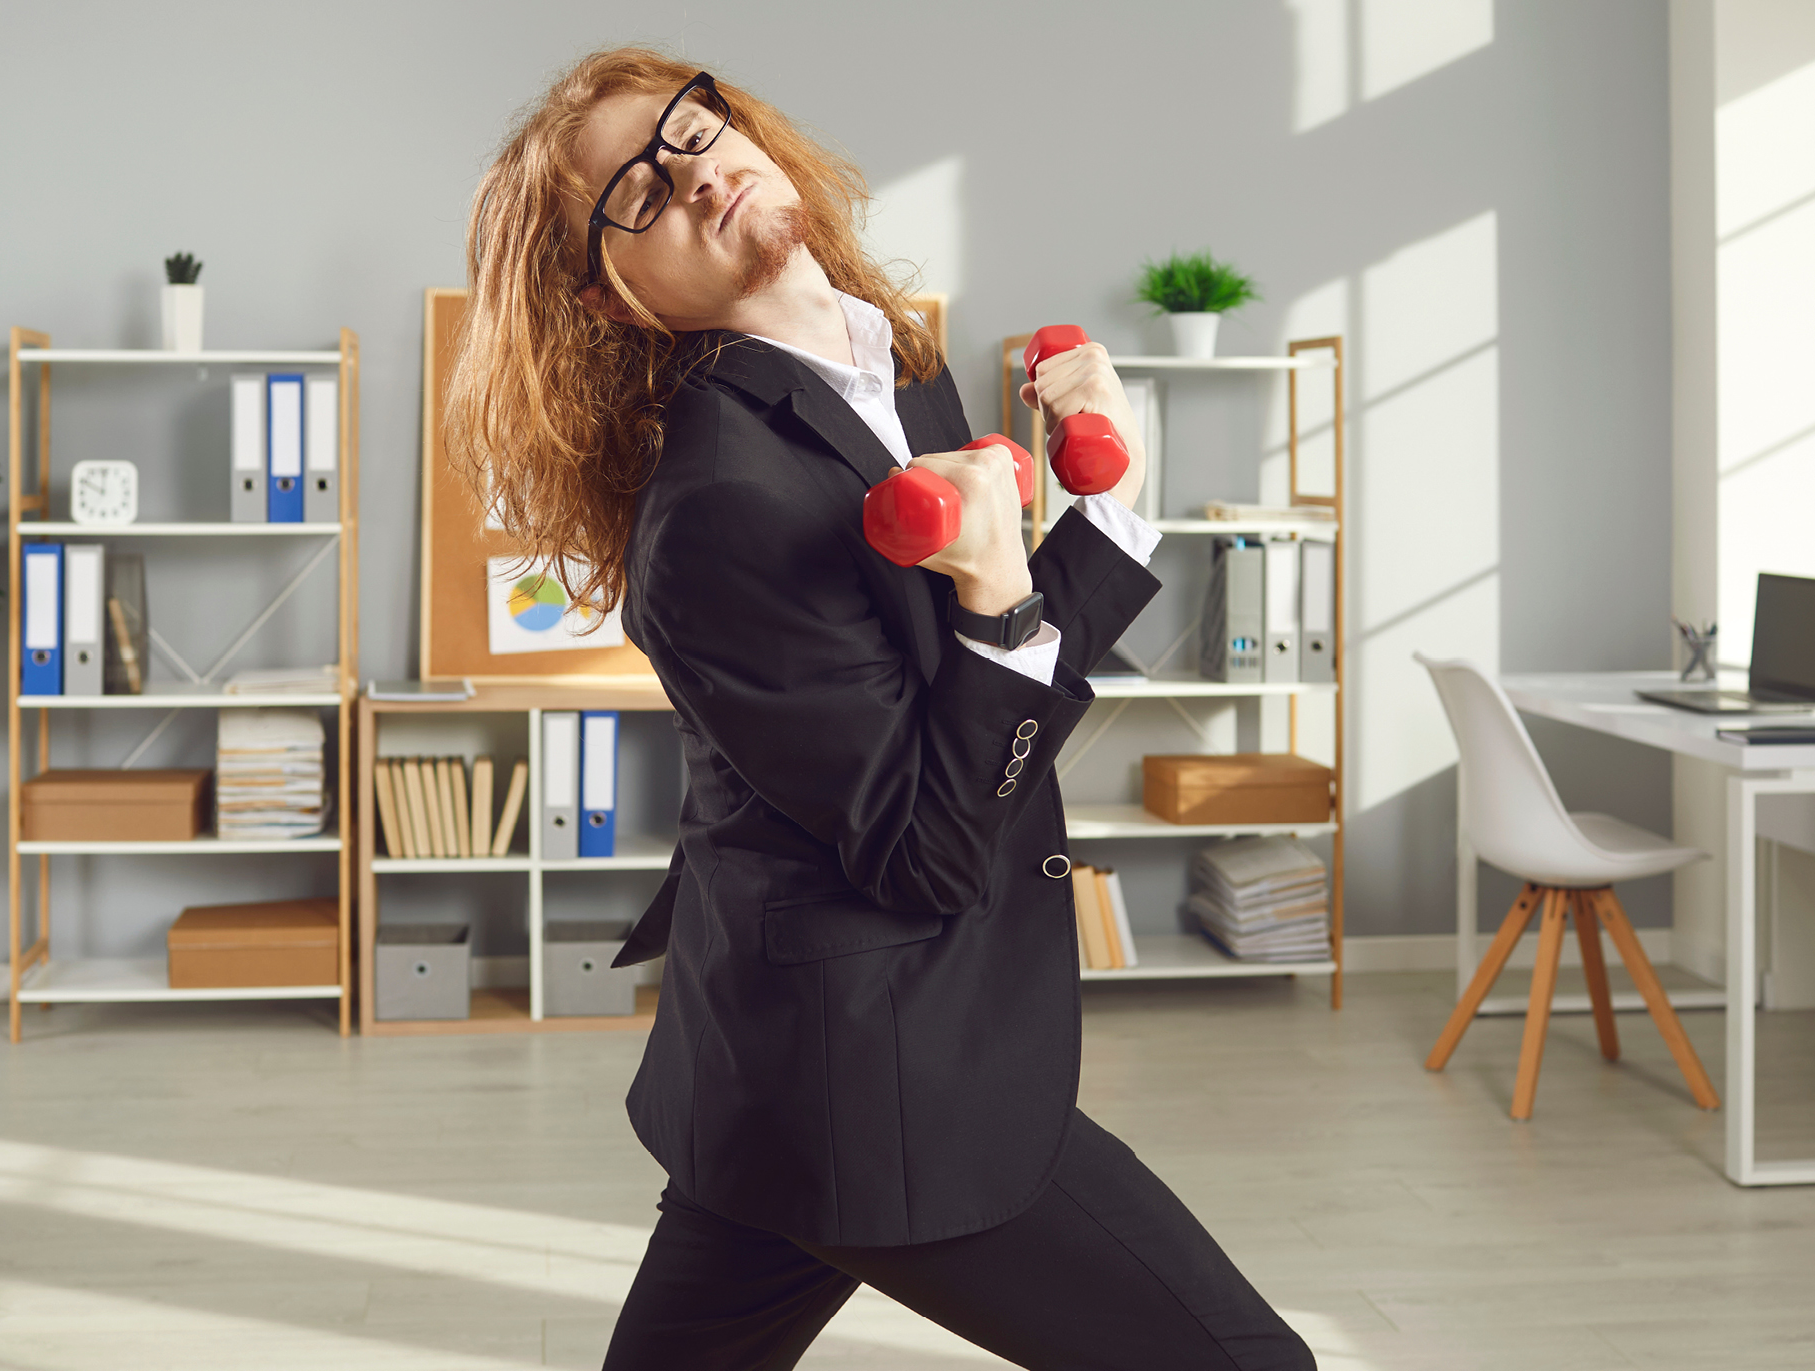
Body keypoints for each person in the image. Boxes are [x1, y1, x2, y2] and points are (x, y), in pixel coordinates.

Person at [445, 47, 1315, 1371]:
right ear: (608, 295)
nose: (696, 171)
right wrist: (996, 606)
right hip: (881, 1075)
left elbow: (991, 700)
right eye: (637, 188)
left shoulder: (889, 368)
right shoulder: (721, 505)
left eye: (695, 126)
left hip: (783, 1058)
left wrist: (1105, 510)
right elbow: (928, 841)